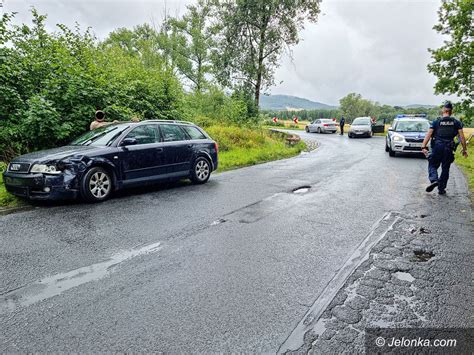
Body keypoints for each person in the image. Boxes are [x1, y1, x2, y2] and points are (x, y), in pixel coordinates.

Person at [421, 102, 468, 195]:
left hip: (437, 147)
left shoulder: (436, 122)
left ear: (443, 110)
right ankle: (441, 189)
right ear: (451, 111)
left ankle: (434, 180)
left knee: (433, 164)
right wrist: (464, 149)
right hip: (449, 148)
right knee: (445, 168)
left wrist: (423, 146)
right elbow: (462, 137)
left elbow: (429, 134)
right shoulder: (456, 122)